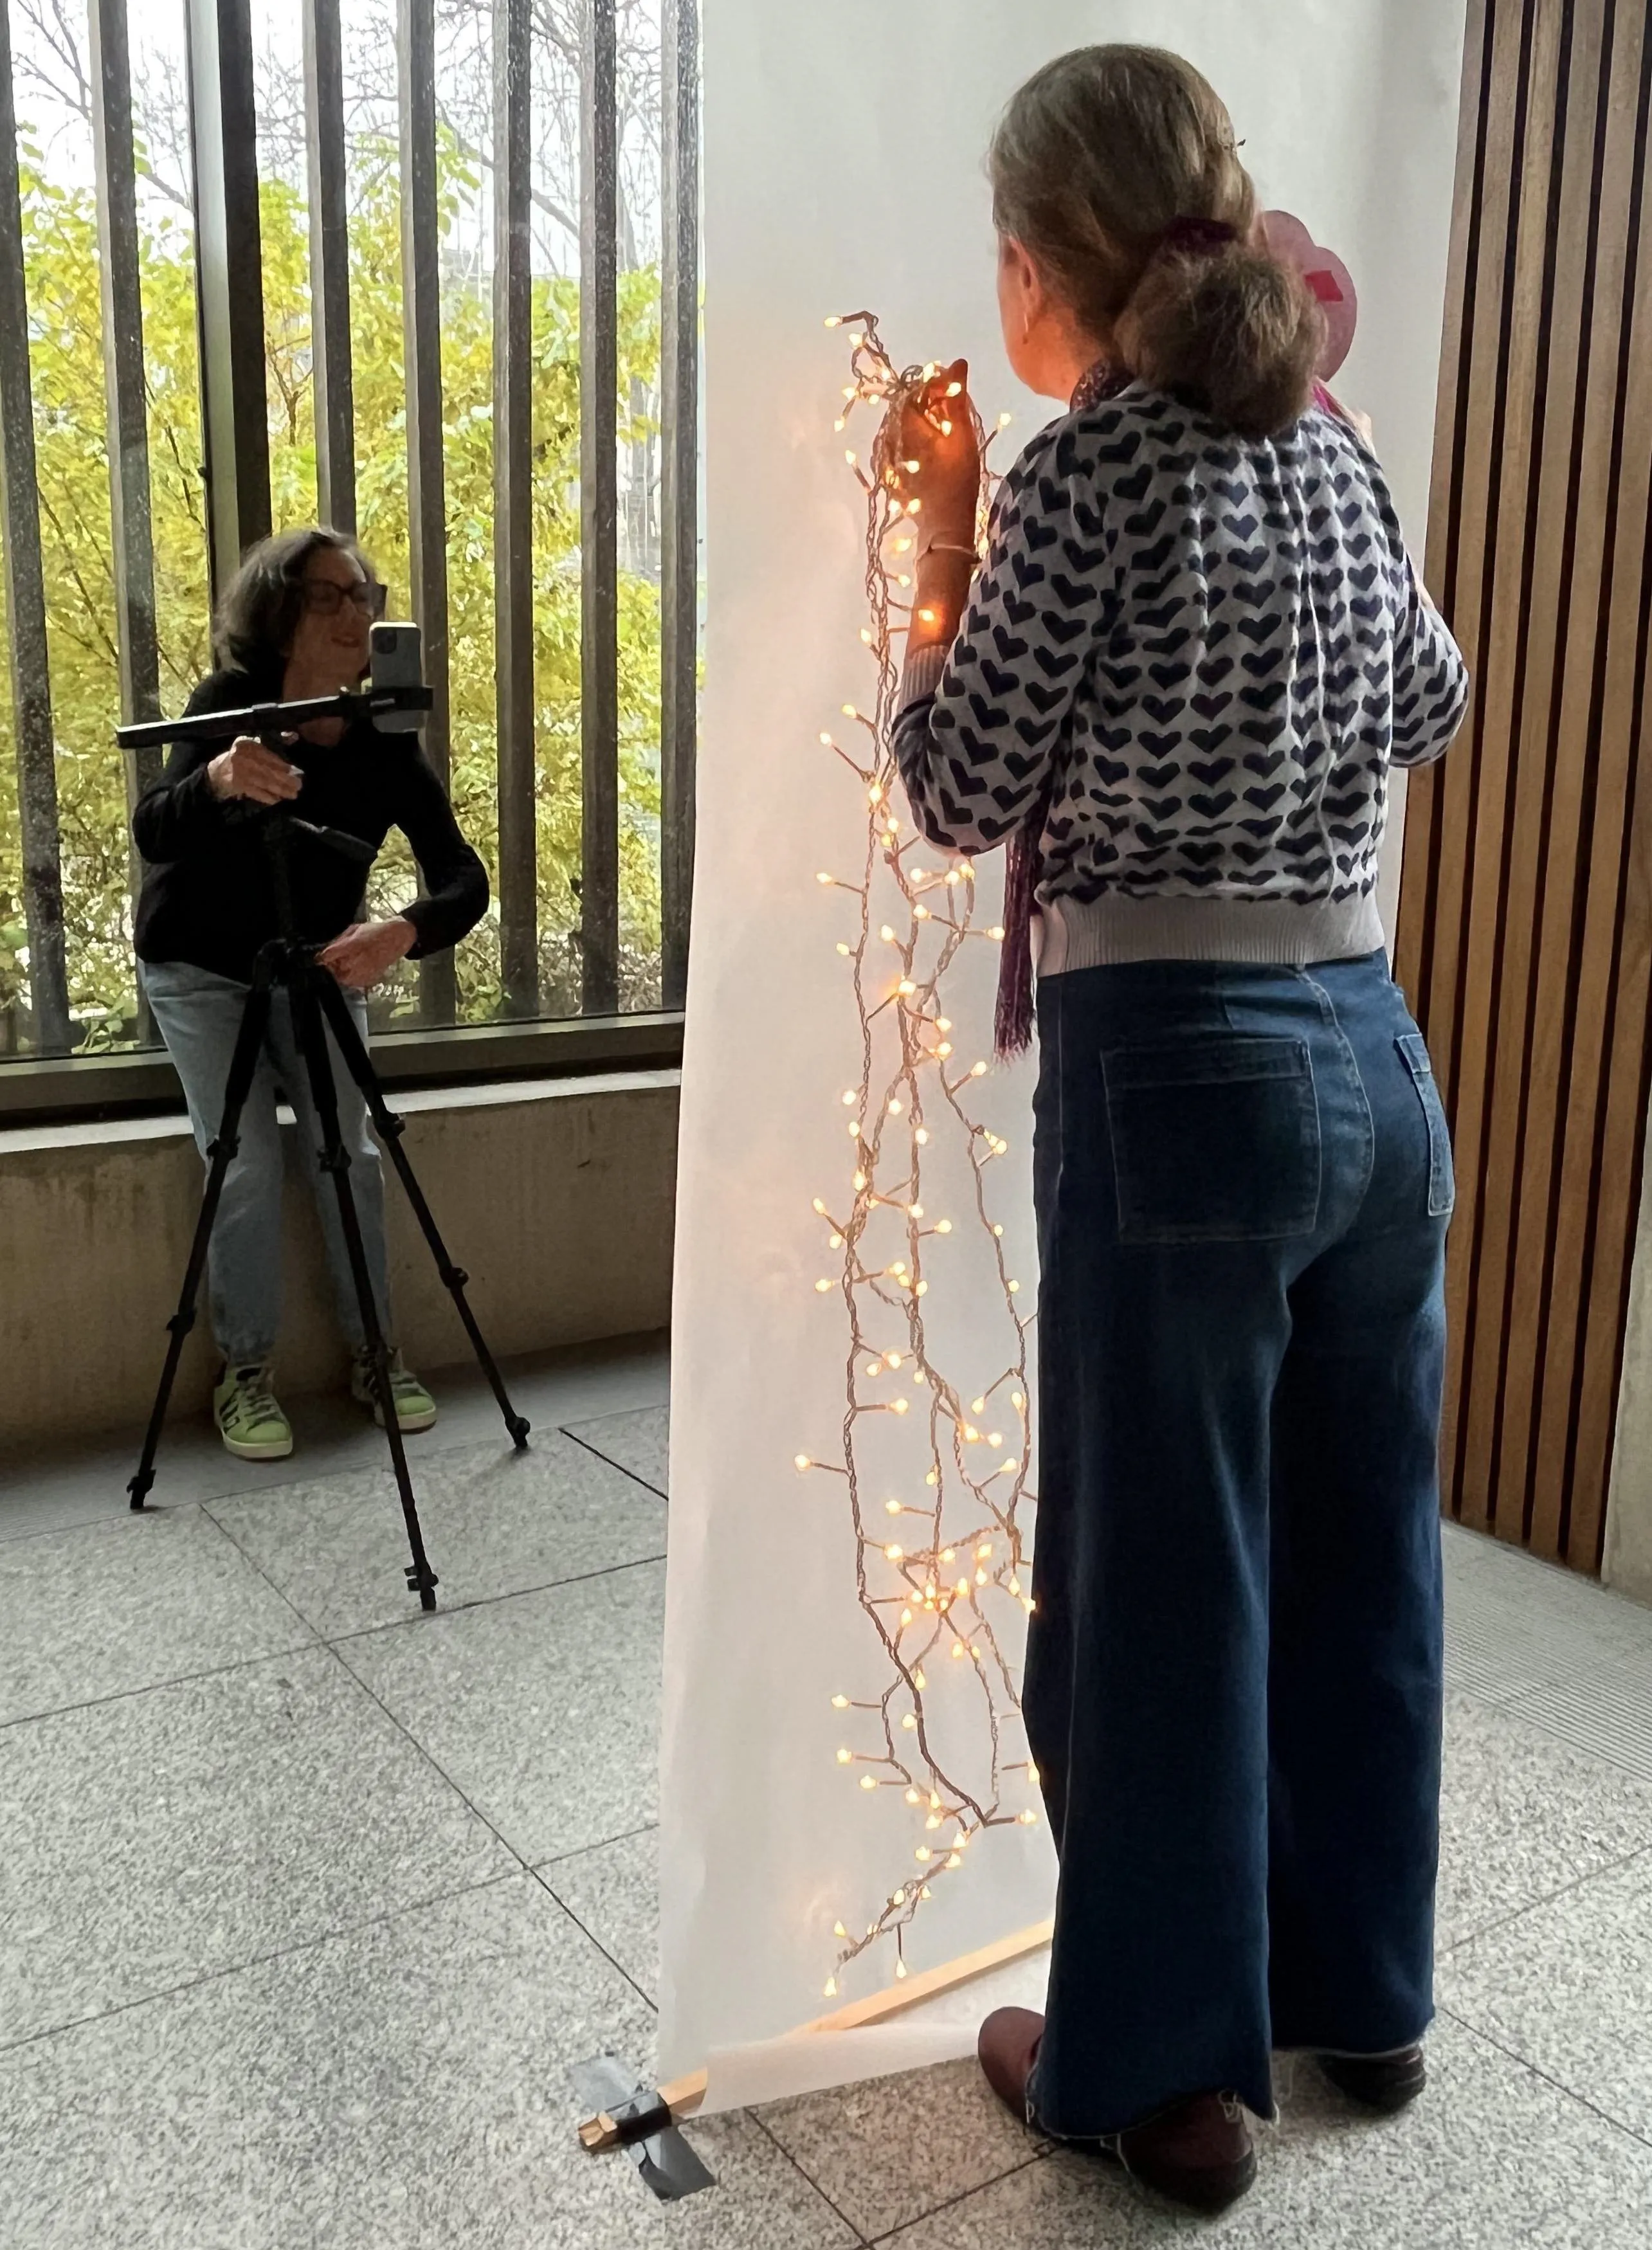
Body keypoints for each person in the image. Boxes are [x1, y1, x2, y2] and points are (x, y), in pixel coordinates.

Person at [889, 46, 1469, 2217]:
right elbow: (1431, 698)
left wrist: (935, 529)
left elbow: (958, 782)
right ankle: (1361, 1986)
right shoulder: (1322, 435)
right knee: (1353, 1552)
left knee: (1154, 1591)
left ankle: (1162, 2077)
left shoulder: (1079, 472)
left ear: (1056, 259)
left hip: (1179, 1074)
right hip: (1365, 1063)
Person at [133, 527, 489, 1462]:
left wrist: (399, 933)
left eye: (363, 594)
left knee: (353, 1153)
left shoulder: (382, 738)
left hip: (317, 964)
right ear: (279, 610)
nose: (354, 613)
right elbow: (153, 830)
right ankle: (245, 1370)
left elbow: (461, 875)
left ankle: (377, 1352)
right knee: (242, 1158)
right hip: (201, 970)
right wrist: (215, 778)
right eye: (329, 595)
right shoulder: (225, 706)